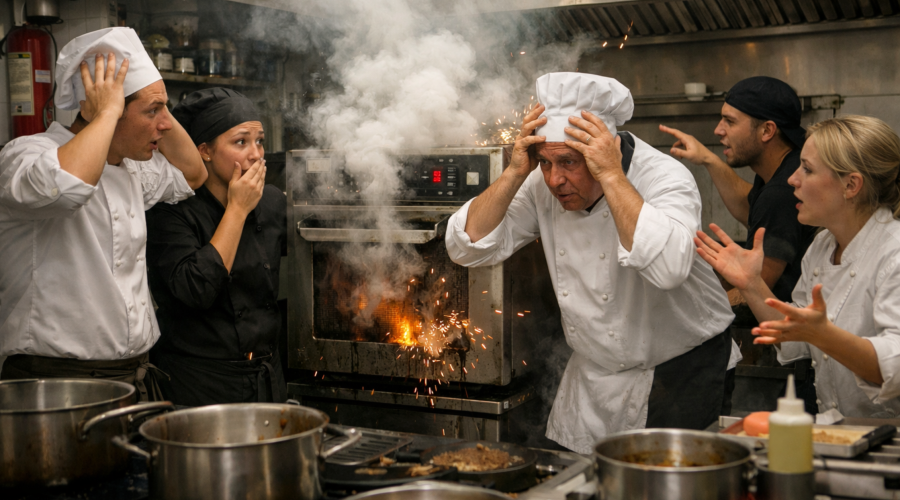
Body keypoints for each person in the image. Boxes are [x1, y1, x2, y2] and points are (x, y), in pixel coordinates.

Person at [446, 72, 735, 453]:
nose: (554, 180)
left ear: (606, 150)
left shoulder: (663, 177)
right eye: (544, 162)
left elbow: (668, 268)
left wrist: (611, 175)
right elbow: (466, 247)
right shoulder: (541, 182)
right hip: (595, 375)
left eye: (568, 162)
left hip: (681, 369)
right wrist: (515, 172)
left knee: (665, 481)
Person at [0, 27, 206, 400]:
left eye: (165, 110)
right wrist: (106, 112)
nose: (165, 123)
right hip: (56, 384)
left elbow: (193, 173)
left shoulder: (130, 167)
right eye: (152, 111)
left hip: (132, 375)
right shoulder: (26, 154)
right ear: (99, 110)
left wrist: (156, 103)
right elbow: (68, 186)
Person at [695, 115, 900, 419]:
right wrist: (751, 284)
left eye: (807, 169)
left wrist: (824, 335)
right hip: (843, 430)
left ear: (851, 185)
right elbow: (798, 333)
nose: (792, 179)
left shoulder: (894, 253)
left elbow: (895, 366)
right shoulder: (822, 246)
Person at [145, 88, 287, 406]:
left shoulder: (271, 201)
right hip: (200, 386)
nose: (256, 154)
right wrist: (237, 209)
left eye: (260, 141)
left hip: (267, 379)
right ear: (205, 151)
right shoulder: (171, 210)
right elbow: (196, 290)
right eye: (241, 142)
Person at [660, 77, 817, 306]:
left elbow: (755, 292)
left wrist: (695, 312)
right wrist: (708, 159)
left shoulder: (782, 190)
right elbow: (750, 207)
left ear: (767, 130)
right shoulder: (783, 167)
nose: (718, 130)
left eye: (730, 121)